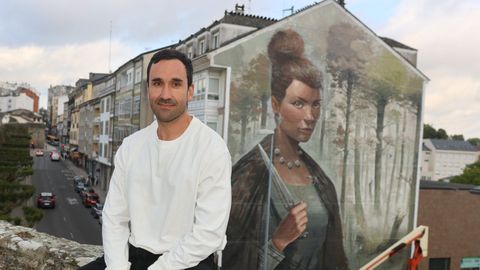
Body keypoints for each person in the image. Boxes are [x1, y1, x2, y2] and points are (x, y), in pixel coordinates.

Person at [79, 49, 232, 270]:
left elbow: (208, 234)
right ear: (148, 89)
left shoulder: (212, 149)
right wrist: (118, 267)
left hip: (188, 262)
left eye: (176, 84)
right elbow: (114, 217)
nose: (165, 94)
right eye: (157, 83)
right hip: (134, 256)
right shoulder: (131, 146)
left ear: (190, 91)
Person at [222, 29, 349, 270]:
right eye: (299, 104)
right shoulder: (247, 178)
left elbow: (334, 259)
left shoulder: (321, 182)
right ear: (276, 105)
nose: (310, 116)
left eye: (316, 105)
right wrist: (278, 242)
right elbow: (230, 260)